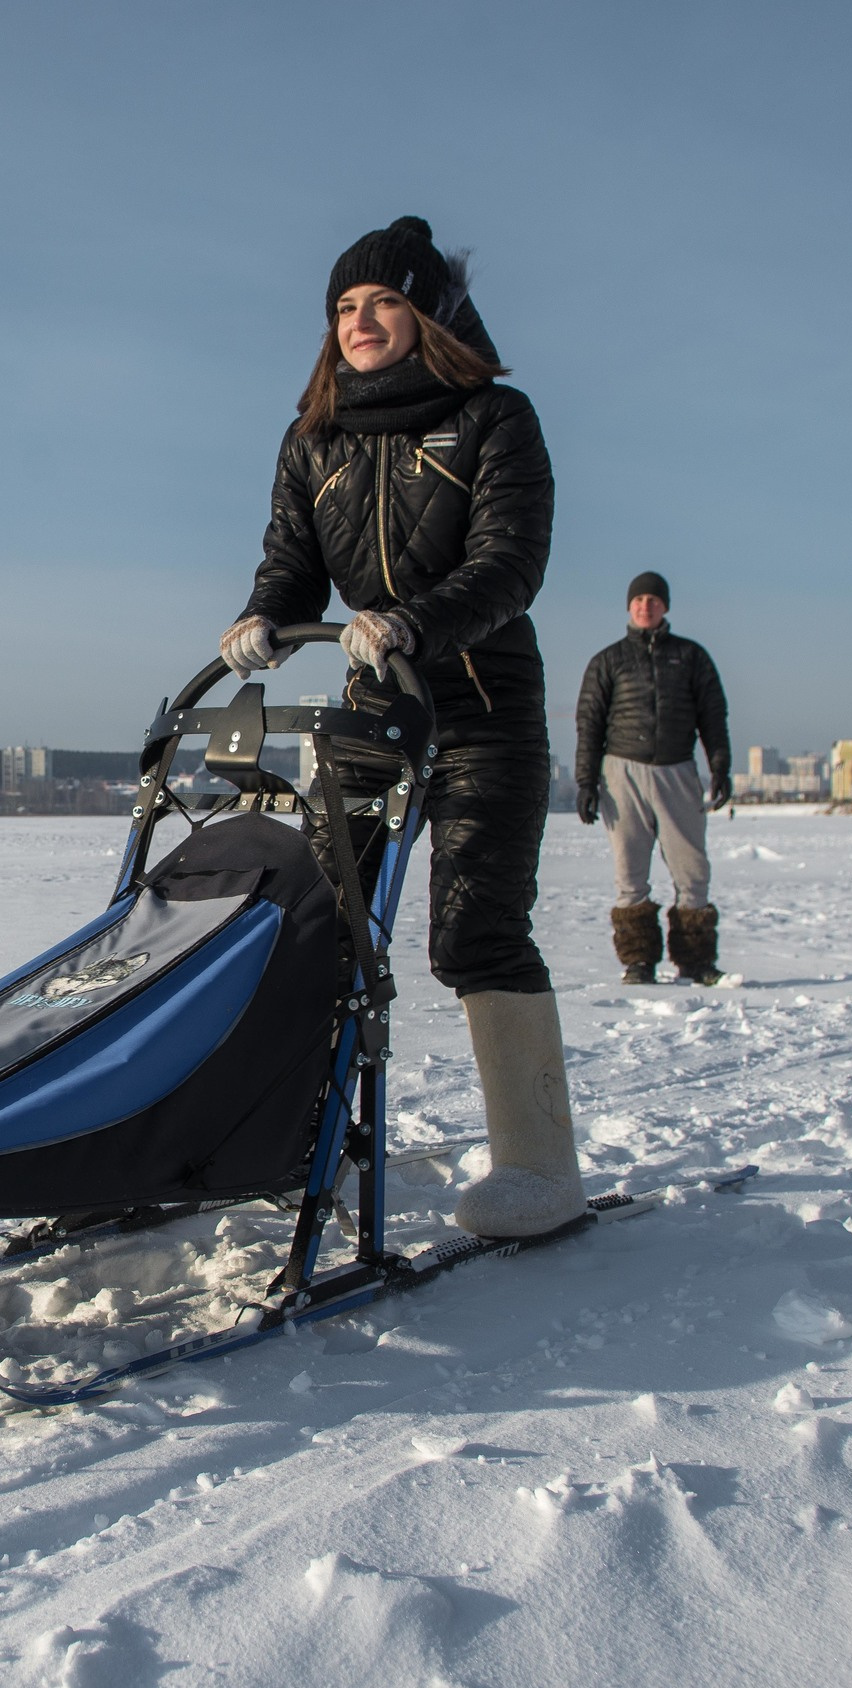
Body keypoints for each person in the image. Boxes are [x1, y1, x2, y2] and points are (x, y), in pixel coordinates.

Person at [217, 216, 581, 1241]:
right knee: (322, 923)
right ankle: (297, 1140)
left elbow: (512, 563)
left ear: (430, 315)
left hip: (478, 695)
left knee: (475, 926)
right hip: (375, 701)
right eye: (344, 306)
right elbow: (291, 557)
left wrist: (417, 619)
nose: (361, 322)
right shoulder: (313, 436)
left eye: (383, 302)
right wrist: (263, 617)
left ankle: (541, 1165)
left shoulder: (494, 419)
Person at [573, 573, 731, 984]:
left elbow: (714, 718)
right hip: (621, 774)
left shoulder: (692, 657)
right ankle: (638, 961)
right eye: (639, 599)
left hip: (678, 771)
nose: (646, 606)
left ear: (665, 606)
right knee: (630, 873)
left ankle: (696, 961)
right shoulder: (607, 661)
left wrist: (720, 769)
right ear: (629, 606)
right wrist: (586, 783)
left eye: (654, 599)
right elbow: (589, 724)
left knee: (692, 870)